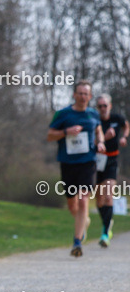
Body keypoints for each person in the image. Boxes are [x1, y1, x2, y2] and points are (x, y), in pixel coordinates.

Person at [46, 81, 106, 256]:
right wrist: (66, 132)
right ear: (74, 95)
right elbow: (49, 135)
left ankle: (77, 242)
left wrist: (101, 142)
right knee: (72, 205)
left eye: (86, 94)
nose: (82, 97)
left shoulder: (93, 114)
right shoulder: (63, 114)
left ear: (90, 96)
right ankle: (83, 221)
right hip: (68, 163)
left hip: (88, 162)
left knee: (83, 199)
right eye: (80, 93)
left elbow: (98, 131)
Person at [93, 93, 128, 247]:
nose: (102, 108)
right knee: (99, 200)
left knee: (108, 195)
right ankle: (107, 222)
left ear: (110, 106)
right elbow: (90, 142)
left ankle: (105, 233)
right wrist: (104, 138)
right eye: (100, 106)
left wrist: (124, 137)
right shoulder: (94, 120)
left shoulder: (117, 118)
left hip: (111, 161)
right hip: (96, 161)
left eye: (105, 105)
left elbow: (126, 125)